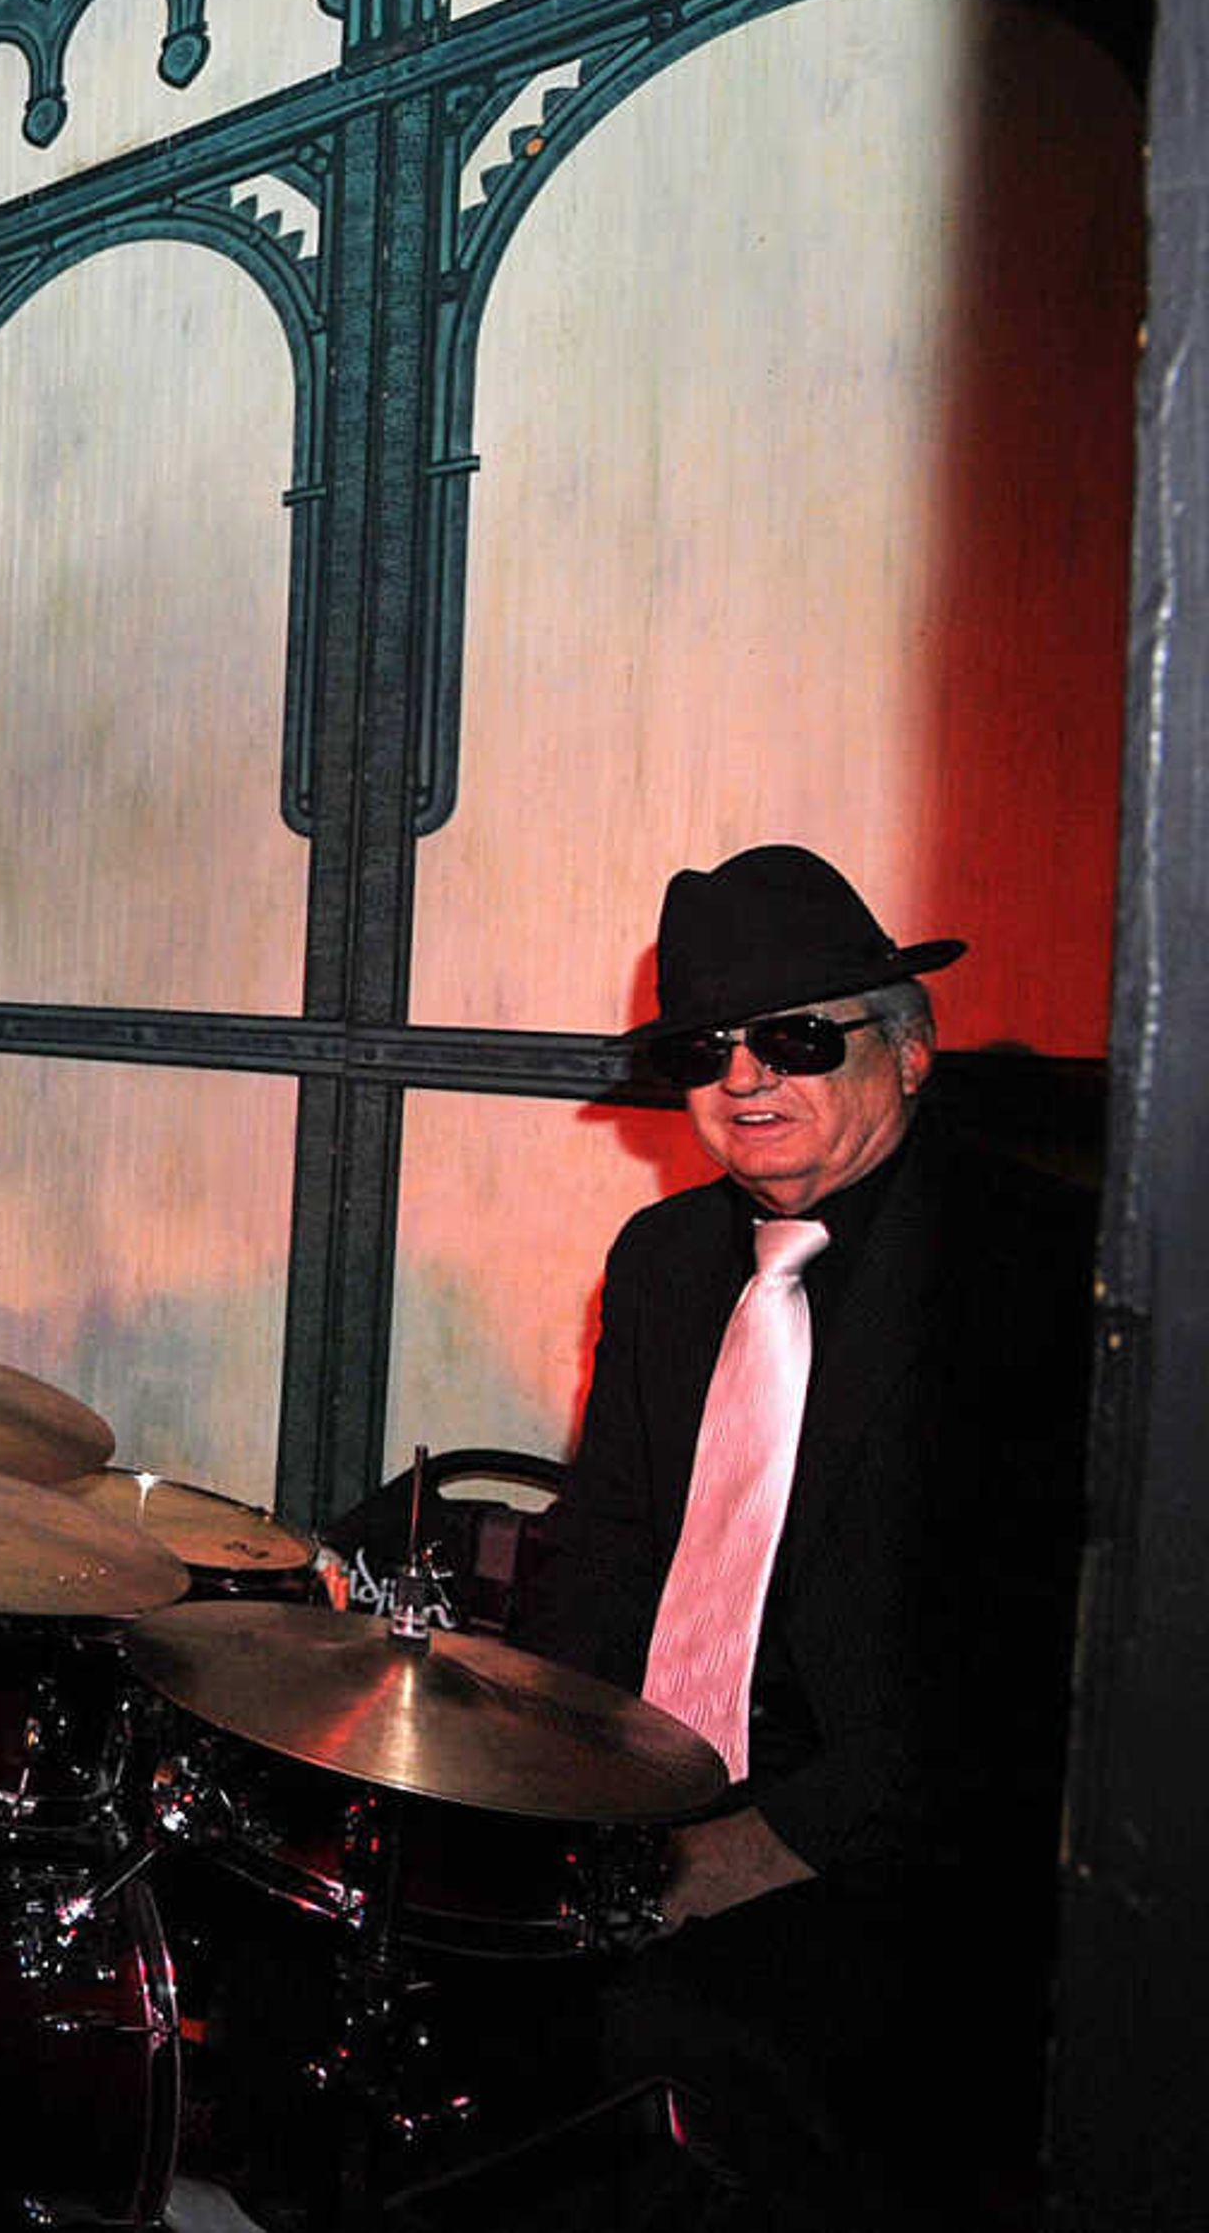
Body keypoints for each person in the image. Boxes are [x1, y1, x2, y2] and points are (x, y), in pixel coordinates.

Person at [511, 843, 1094, 2229]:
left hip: (898, 1853)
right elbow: (605, 1546)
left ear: (908, 1050)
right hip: (646, 1794)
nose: (745, 1080)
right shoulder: (662, 1262)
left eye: (795, 1038)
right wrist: (511, 1773)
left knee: (658, 2040)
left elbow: (1012, 1684)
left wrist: (740, 1854)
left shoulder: (1023, 1272)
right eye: (709, 1049)